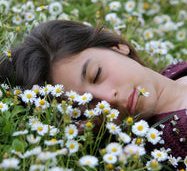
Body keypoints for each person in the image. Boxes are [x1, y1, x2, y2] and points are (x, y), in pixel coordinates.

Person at [0, 20, 187, 162]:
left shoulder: (175, 71)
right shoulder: (176, 137)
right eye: (86, 107)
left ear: (116, 46)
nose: (107, 99)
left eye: (97, 75)